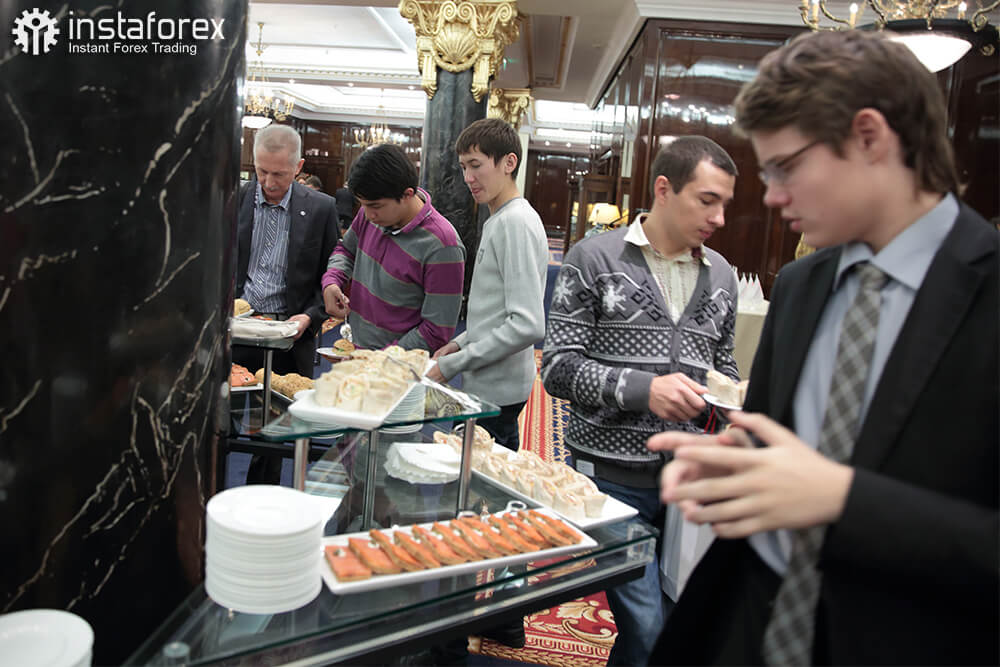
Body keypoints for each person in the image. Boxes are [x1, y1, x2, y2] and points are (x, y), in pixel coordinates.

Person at [649, 30, 998, 666]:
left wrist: (844, 502)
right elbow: (782, 441)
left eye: (786, 167)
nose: (773, 196)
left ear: (869, 137)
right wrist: (740, 464)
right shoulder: (803, 285)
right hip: (749, 625)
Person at [541, 136, 740, 666]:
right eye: (707, 200)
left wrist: (728, 405)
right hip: (608, 478)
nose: (719, 218)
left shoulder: (721, 274)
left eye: (725, 204)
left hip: (689, 483)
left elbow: (725, 370)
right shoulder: (595, 258)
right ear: (664, 189)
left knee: (670, 626)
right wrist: (644, 390)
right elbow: (557, 368)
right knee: (649, 628)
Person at [429, 118, 548, 450]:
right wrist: (460, 343)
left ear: (509, 163)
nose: (468, 177)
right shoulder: (503, 218)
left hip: (497, 394)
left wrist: (452, 365)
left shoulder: (515, 222)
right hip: (489, 386)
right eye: (464, 167)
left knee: (476, 478)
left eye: (476, 165)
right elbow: (497, 311)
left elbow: (527, 324)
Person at [235, 124, 340, 483]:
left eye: (279, 174)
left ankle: (262, 500)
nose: (268, 182)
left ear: (298, 167)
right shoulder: (233, 199)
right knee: (220, 428)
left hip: (290, 339)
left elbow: (330, 277)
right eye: (261, 171)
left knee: (276, 437)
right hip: (235, 334)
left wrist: (309, 317)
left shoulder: (321, 208)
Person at [321, 143, 465, 352]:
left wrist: (380, 360)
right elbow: (346, 250)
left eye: (375, 206)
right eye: (362, 204)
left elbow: (436, 331)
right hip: (357, 354)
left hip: (399, 367)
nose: (368, 214)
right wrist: (332, 280)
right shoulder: (369, 215)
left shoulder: (442, 245)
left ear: (407, 194)